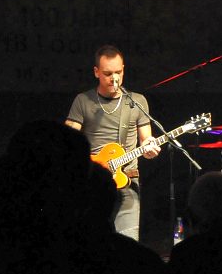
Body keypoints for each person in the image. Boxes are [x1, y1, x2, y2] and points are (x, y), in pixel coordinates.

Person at [64, 44, 159, 241]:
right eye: (107, 73)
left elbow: (146, 141)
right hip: (93, 184)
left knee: (128, 244)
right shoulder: (83, 101)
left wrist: (149, 150)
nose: (114, 78)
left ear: (123, 69)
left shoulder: (137, 101)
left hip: (127, 182)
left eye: (118, 72)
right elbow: (67, 143)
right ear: (96, 72)